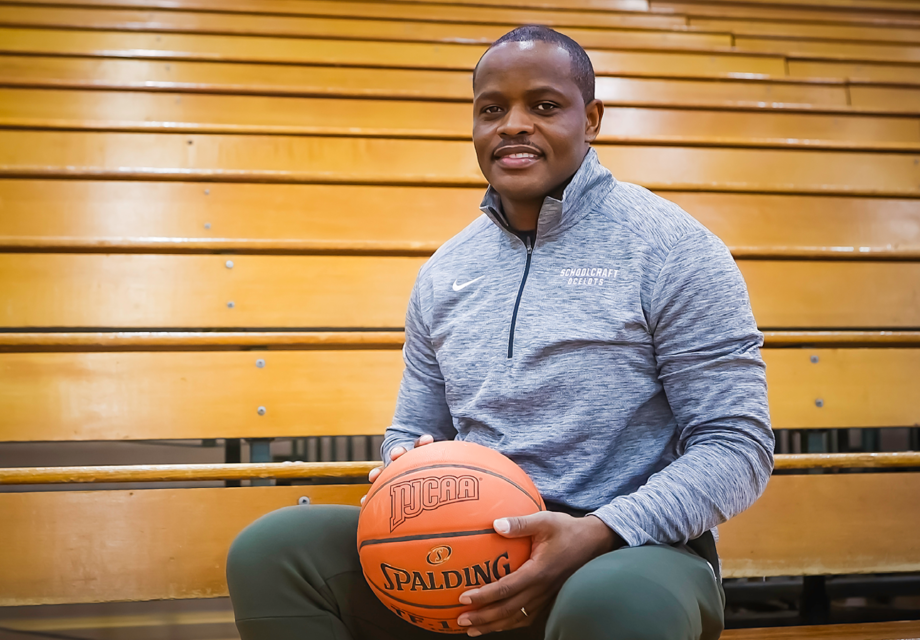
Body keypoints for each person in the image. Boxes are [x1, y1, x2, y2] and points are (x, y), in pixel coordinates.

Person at [227, 25, 773, 640]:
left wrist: (601, 530)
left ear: (590, 118)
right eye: (492, 109)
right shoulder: (447, 271)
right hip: (472, 550)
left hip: (630, 551)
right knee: (274, 548)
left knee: (612, 601)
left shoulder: (674, 250)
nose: (513, 125)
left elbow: (736, 446)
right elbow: (414, 429)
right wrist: (408, 467)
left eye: (543, 106)